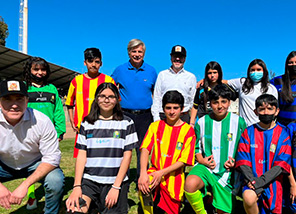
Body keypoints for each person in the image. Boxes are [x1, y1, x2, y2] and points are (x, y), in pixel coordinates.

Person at [65, 83, 137, 214]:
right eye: (102, 96)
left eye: (111, 97)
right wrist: (76, 186)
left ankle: (100, 208)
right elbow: (81, 155)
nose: (106, 100)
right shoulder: (87, 122)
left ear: (117, 99)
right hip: (90, 181)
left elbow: (127, 156)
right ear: (96, 99)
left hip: (113, 182)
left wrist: (116, 187)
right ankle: (94, 206)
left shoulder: (126, 123)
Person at [0, 79, 64, 214]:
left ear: (27, 100)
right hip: (3, 165)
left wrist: (25, 186)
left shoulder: (42, 121)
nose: (14, 105)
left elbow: (52, 158)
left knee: (55, 180)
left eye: (19, 99)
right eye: (7, 99)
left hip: (34, 163)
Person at [185, 84, 247, 214]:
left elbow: (245, 149)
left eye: (223, 101)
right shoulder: (201, 122)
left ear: (229, 102)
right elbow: (196, 150)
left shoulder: (239, 122)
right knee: (189, 183)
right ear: (209, 104)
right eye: (215, 102)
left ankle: (213, 201)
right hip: (207, 169)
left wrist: (235, 162)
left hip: (228, 174)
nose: (220, 106)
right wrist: (202, 160)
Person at [139, 90, 196, 214]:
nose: (171, 112)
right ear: (163, 109)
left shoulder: (188, 131)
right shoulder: (155, 126)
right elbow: (145, 149)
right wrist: (142, 173)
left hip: (174, 177)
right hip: (155, 170)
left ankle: (169, 209)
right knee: (145, 183)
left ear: (182, 109)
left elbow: (184, 161)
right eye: (168, 108)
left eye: (175, 108)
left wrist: (162, 173)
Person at [236, 94, 291, 214]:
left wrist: (260, 182)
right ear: (256, 112)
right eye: (262, 109)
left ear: (277, 111)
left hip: (272, 184)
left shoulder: (283, 133)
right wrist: (253, 181)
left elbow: (281, 165)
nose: (266, 112)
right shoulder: (248, 132)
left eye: (270, 109)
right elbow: (243, 160)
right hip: (251, 181)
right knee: (249, 197)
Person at [111, 39, 158, 185]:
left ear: (144, 53)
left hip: (145, 116)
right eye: (134, 51)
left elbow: (156, 93)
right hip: (125, 115)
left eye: (140, 52)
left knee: (143, 148)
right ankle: (119, 178)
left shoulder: (151, 71)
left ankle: (141, 178)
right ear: (128, 52)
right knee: (121, 147)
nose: (137, 54)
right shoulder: (120, 70)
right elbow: (110, 88)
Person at [22, 56, 66, 210]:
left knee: (51, 167)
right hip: (29, 135)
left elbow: (59, 112)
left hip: (49, 137)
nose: (40, 72)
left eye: (43, 69)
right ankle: (31, 196)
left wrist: (59, 132)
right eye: (36, 69)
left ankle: (51, 199)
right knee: (30, 166)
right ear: (30, 70)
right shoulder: (25, 88)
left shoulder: (52, 89)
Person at [65, 47, 115, 158]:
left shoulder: (108, 80)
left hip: (102, 125)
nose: (93, 64)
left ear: (101, 63)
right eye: (90, 61)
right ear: (85, 63)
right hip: (82, 126)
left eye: (97, 62)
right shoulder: (76, 81)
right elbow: (69, 103)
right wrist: (72, 121)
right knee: (82, 158)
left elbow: (115, 102)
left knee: (100, 156)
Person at [151, 45, 197, 123]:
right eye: (175, 56)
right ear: (171, 57)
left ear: (185, 59)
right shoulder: (162, 75)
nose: (177, 59)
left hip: (184, 118)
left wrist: (192, 122)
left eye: (180, 57)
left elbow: (193, 101)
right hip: (164, 117)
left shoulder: (191, 77)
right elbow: (157, 98)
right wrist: (156, 119)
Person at [228, 59, 278, 126]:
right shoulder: (242, 82)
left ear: (264, 71)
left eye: (258, 70)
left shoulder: (271, 88)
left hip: (264, 127)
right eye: (252, 70)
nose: (255, 72)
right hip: (244, 128)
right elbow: (223, 81)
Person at [189, 61, 237, 126]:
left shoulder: (225, 87)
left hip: (220, 123)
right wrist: (192, 123)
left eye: (215, 72)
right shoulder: (201, 89)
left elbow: (236, 96)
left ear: (219, 73)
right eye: (209, 73)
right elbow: (195, 106)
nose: (212, 75)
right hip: (203, 123)